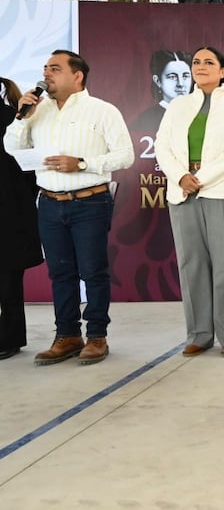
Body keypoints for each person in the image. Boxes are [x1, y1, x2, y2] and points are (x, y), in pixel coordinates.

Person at [4, 50, 134, 365]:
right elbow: (10, 146)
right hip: (49, 203)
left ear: (77, 76)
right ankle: (67, 336)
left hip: (90, 201)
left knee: (93, 272)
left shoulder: (102, 111)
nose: (47, 73)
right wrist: (21, 117)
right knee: (60, 273)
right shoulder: (36, 110)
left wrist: (82, 163)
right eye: (45, 68)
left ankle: (97, 337)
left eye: (55, 69)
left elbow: (125, 156)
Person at [154, 47, 224, 358]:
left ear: (223, 71)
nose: (200, 66)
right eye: (196, 62)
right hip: (182, 192)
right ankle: (198, 333)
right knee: (191, 264)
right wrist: (181, 177)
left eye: (208, 62)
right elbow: (162, 146)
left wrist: (202, 177)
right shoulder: (178, 106)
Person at [0, 77, 44, 360]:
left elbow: (30, 167)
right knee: (8, 281)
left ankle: (10, 338)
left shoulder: (13, 120)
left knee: (7, 280)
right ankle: (10, 339)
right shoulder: (10, 116)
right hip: (13, 212)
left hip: (9, 212)